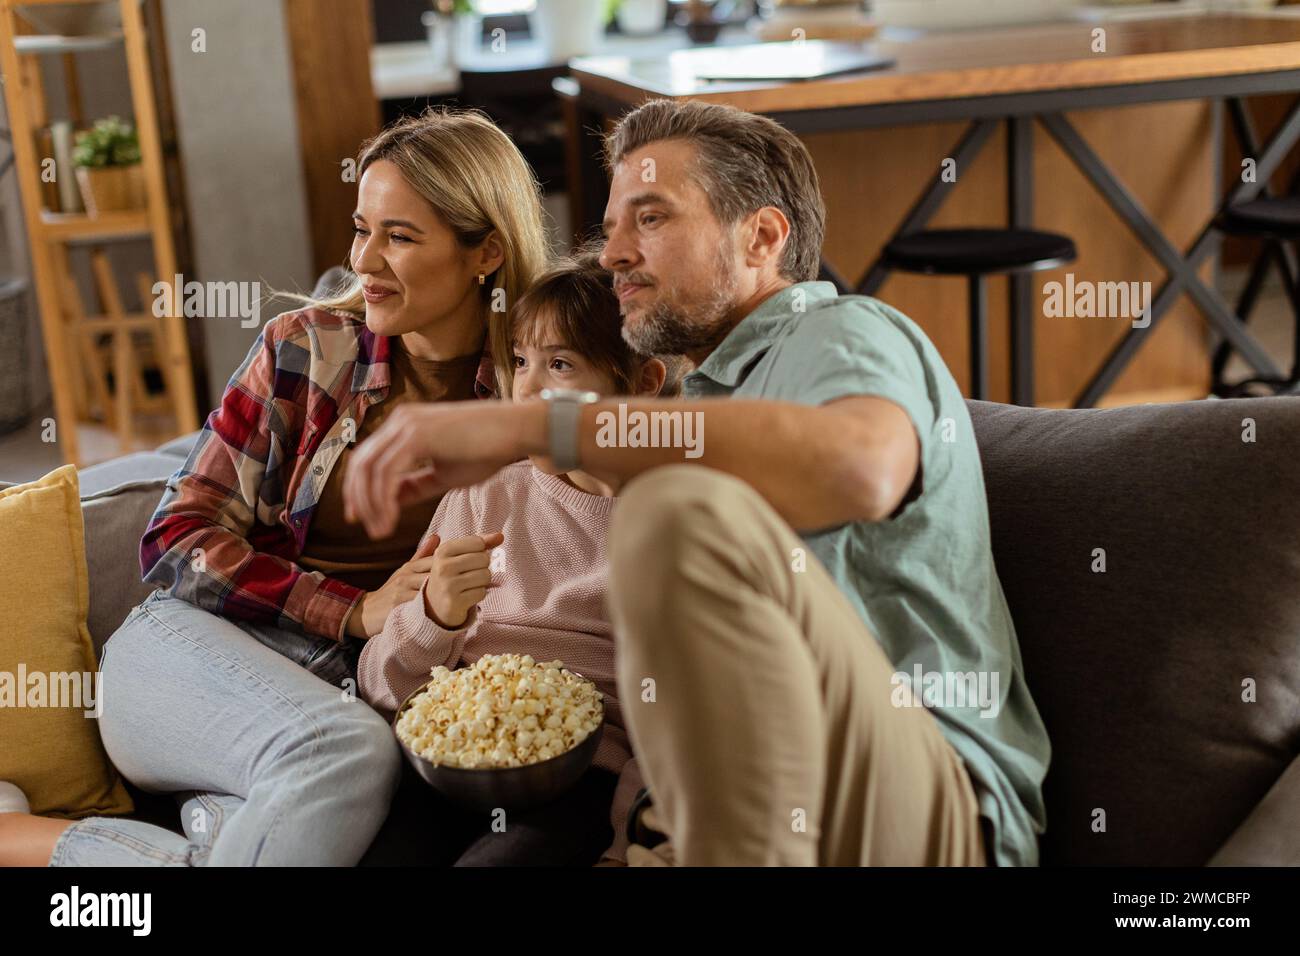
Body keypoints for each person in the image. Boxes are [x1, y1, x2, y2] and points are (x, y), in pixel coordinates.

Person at [339, 98, 1053, 867]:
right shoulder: (690, 416)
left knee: (676, 508)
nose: (612, 254)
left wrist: (535, 426)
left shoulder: (839, 334)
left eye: (649, 219)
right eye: (611, 226)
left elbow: (860, 467)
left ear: (762, 237)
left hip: (919, 803)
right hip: (736, 808)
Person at [0, 106, 549, 866]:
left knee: (270, 834)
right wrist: (356, 610)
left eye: (400, 236)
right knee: (350, 753)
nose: (365, 261)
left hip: (345, 692)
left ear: (486, 250)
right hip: (185, 657)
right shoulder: (306, 349)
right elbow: (173, 538)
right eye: (362, 229)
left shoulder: (533, 387)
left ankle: (38, 840)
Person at [357, 253, 677, 865]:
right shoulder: (484, 496)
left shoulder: (674, 531)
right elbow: (380, 687)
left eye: (559, 365)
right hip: (448, 765)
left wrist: (623, 839)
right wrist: (433, 615)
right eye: (521, 362)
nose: (525, 390)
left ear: (642, 384)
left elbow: (680, 724)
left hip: (583, 779)